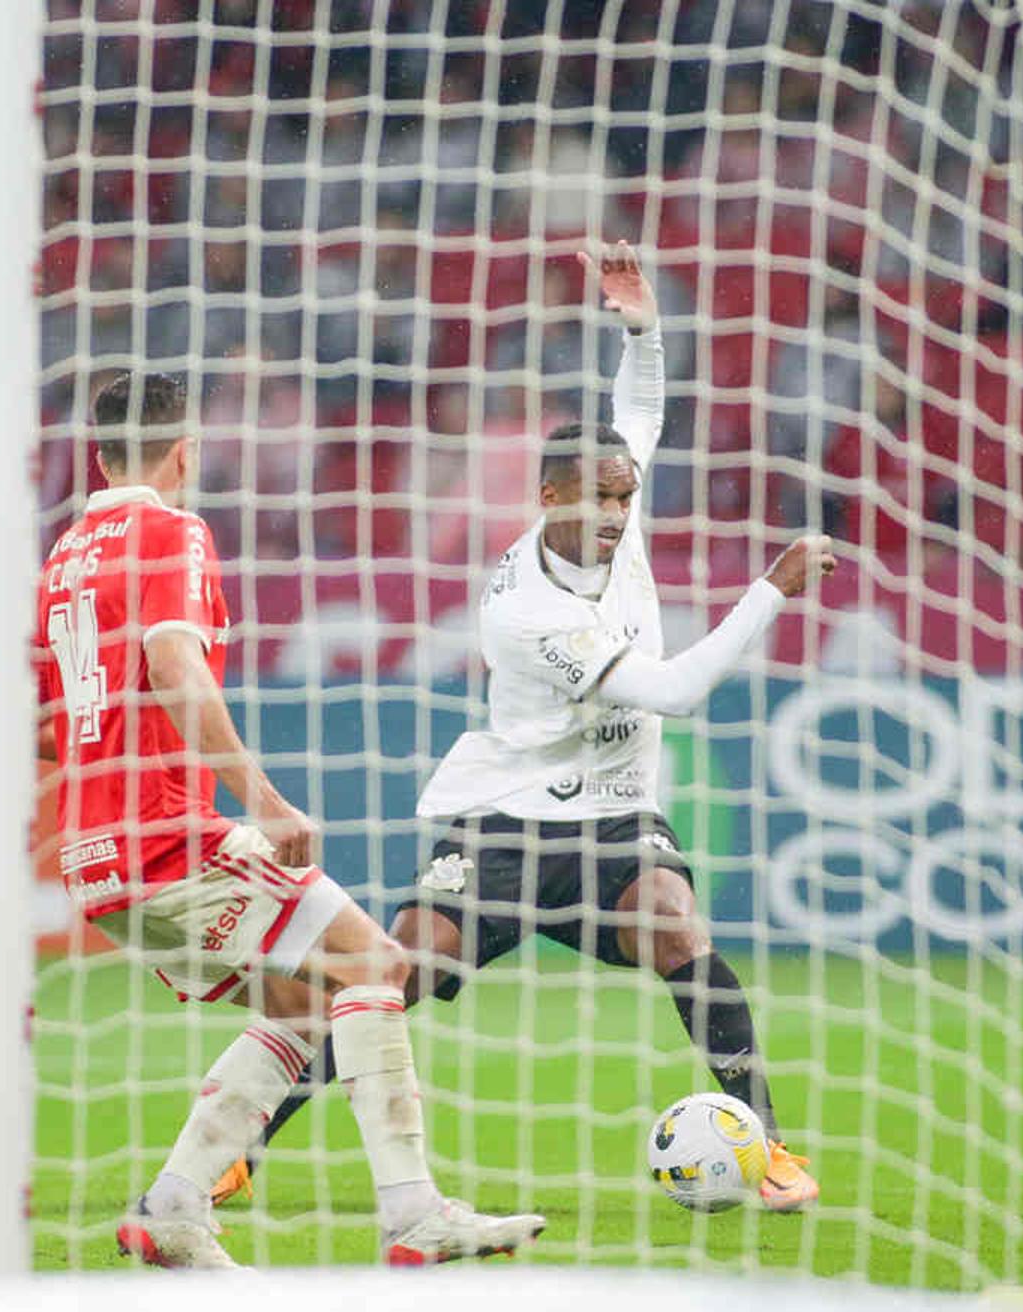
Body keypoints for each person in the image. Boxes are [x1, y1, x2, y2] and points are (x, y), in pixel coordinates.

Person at [214, 243, 834, 1214]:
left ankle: (775, 1149)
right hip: (504, 814)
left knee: (675, 925)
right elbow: (670, 693)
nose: (618, 516)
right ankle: (242, 1141)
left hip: (614, 812)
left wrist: (641, 326)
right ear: (549, 497)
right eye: (599, 499)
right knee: (403, 966)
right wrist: (770, 590)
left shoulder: (615, 510)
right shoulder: (522, 609)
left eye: (627, 497)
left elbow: (644, 407)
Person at [33, 370, 545, 1269]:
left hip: (93, 856)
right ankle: (414, 1214)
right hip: (167, 837)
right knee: (374, 961)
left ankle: (173, 1209)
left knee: (304, 1001)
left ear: (99, 454)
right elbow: (174, 670)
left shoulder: (65, 558)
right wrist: (262, 804)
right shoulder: (172, 531)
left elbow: (50, 725)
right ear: (185, 451)